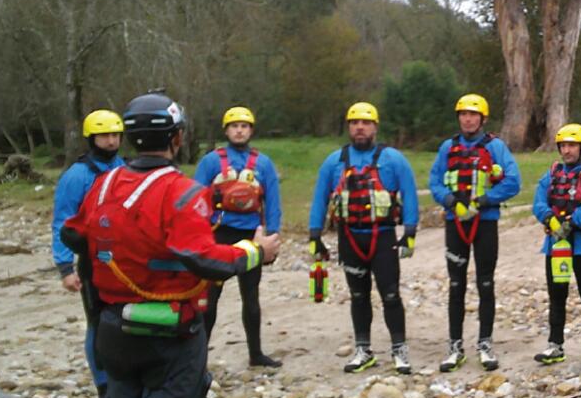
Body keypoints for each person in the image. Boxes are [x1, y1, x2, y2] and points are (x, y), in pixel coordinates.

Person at [61, 91, 280, 398]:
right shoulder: (182, 193)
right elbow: (204, 258)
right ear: (177, 138)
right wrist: (255, 251)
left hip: (113, 330)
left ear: (130, 136)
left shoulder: (102, 184)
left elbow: (75, 235)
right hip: (170, 336)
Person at [309, 102, 419, 374]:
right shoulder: (333, 161)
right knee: (358, 295)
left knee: (390, 295)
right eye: (354, 122)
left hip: (382, 238)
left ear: (375, 127)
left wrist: (410, 232)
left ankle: (399, 350)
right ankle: (363, 349)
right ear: (348, 127)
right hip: (349, 238)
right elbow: (320, 199)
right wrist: (315, 235)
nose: (360, 127)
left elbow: (410, 193)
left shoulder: (393, 159)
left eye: (366, 122)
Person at [428, 93, 521, 372]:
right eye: (463, 114)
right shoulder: (448, 147)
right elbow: (435, 180)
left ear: (482, 118)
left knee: (485, 283)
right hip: (455, 222)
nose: (468, 119)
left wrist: (484, 200)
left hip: (485, 222)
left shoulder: (496, 147)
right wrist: (449, 201)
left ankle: (484, 344)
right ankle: (455, 346)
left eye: (473, 114)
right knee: (456, 285)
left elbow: (513, 181)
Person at [193, 106, 283, 368]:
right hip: (217, 233)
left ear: (251, 130)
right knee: (209, 299)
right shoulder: (211, 162)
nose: (239, 130)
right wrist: (198, 234)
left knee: (251, 297)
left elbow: (273, 202)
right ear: (226, 130)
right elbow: (196, 198)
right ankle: (198, 357)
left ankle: (256, 354)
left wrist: (272, 237)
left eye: (244, 126)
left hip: (250, 234)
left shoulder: (263, 164)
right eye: (234, 126)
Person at [51, 109, 126, 398]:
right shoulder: (77, 176)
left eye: (115, 135)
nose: (111, 141)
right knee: (98, 322)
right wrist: (65, 267)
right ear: (92, 138)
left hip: (124, 260)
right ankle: (103, 383)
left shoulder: (125, 169)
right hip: (92, 260)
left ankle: (124, 375)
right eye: (104, 135)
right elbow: (63, 221)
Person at [531, 124, 581, 369]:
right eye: (563, 146)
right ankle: (555, 345)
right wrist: (550, 219)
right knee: (557, 297)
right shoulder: (553, 172)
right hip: (556, 246)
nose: (566, 151)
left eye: (571, 146)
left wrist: (571, 223)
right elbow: (538, 201)